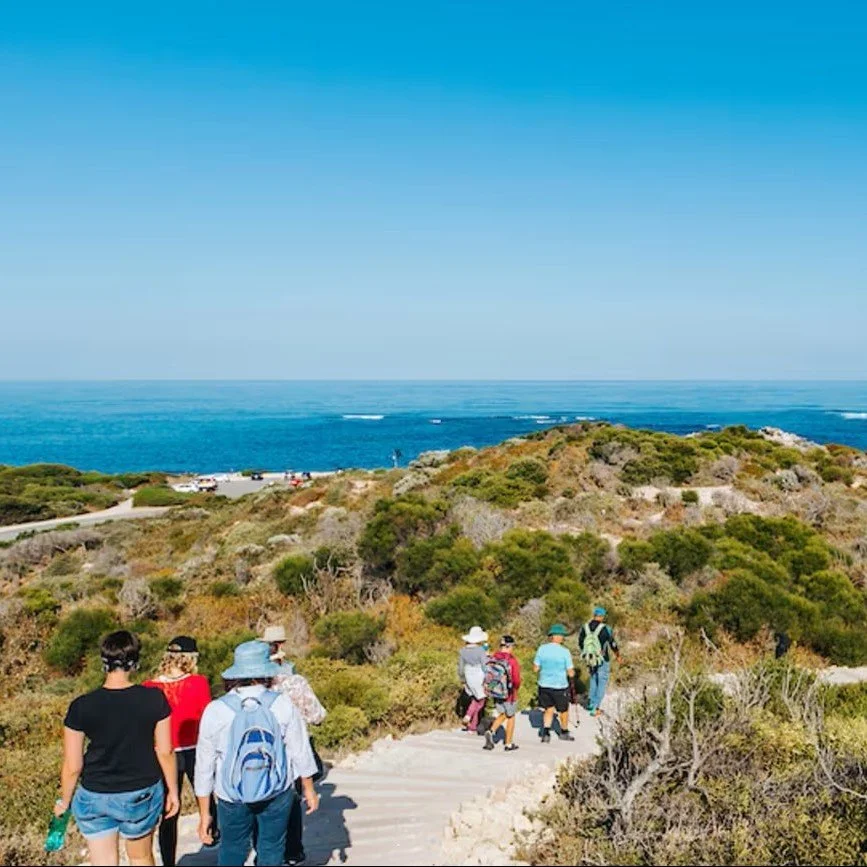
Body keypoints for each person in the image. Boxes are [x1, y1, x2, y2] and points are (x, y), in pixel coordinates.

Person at [57, 631, 180, 867]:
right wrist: (172, 791)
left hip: (95, 793)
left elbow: (73, 766)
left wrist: (64, 801)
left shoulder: (81, 706)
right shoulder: (154, 699)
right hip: (140, 791)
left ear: (104, 662)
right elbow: (165, 751)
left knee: (103, 862)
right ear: (135, 663)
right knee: (141, 857)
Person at [194, 640, 320, 867]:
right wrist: (308, 788)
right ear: (267, 672)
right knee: (271, 848)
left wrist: (205, 813)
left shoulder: (216, 709)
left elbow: (204, 765)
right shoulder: (282, 704)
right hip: (276, 790)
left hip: (231, 795)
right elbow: (300, 750)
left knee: (232, 849)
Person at [143, 636, 215, 867]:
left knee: (169, 810)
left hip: (162, 753)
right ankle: (211, 831)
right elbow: (207, 717)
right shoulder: (199, 682)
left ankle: (168, 860)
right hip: (194, 748)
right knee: (206, 794)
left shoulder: (149, 687)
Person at [263, 624, 328, 866]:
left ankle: (266, 851)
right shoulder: (294, 681)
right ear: (282, 646)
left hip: (261, 752)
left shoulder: (251, 685)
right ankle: (292, 851)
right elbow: (317, 715)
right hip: (291, 753)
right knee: (290, 803)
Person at [533, 624, 576, 743]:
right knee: (563, 710)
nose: (563, 638)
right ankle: (564, 732)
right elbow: (570, 671)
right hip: (560, 685)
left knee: (548, 709)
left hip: (544, 684)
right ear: (556, 636)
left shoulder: (541, 649)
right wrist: (572, 675)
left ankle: (546, 733)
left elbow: (535, 668)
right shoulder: (565, 652)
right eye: (562, 635)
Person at [578, 607, 621, 717]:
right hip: (603, 658)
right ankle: (595, 708)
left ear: (594, 615)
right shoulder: (605, 628)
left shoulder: (585, 627)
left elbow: (580, 642)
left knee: (593, 679)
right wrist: (618, 655)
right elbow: (612, 643)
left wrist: (588, 653)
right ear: (602, 616)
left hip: (590, 658)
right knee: (601, 682)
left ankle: (591, 704)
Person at [483, 635, 522, 752]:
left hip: (496, 691)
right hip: (509, 692)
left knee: (503, 713)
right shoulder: (512, 660)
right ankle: (508, 744)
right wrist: (516, 688)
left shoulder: (494, 657)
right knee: (511, 716)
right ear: (509, 646)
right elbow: (516, 679)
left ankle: (491, 731)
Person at [458, 626, 489, 733]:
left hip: (468, 674)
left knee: (475, 699)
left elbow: (461, 667)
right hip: (478, 675)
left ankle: (472, 725)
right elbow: (485, 666)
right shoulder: (480, 650)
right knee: (481, 700)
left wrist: (463, 679)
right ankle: (469, 716)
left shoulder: (462, 651)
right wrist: (488, 679)